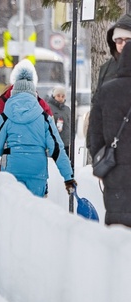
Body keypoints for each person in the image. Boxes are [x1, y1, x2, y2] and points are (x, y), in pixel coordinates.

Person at [0, 61, 76, 198]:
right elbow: (57, 149)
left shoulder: (6, 116)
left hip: (12, 170)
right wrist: (68, 177)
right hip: (37, 172)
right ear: (34, 93)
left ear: (13, 93)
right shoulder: (44, 118)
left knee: (13, 210)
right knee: (35, 212)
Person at [87, 43, 131, 227]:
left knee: (118, 228)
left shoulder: (107, 90)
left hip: (115, 172)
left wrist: (101, 157)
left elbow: (94, 133)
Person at [94, 14, 131, 100]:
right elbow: (98, 99)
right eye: (119, 40)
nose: (123, 44)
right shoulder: (107, 67)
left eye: (128, 40)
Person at [47, 86, 72, 159]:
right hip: (54, 143)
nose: (60, 98)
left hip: (65, 143)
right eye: (58, 96)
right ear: (54, 96)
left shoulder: (67, 109)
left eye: (63, 96)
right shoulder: (49, 108)